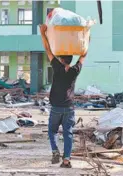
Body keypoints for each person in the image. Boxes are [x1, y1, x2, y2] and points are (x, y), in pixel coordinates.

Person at [39, 24, 88, 168]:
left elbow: (48, 49)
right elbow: (83, 55)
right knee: (68, 134)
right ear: (70, 60)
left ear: (61, 59)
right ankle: (66, 160)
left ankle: (55, 151)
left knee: (52, 130)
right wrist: (87, 37)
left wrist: (43, 33)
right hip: (69, 108)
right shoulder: (75, 71)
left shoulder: (56, 67)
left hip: (56, 108)